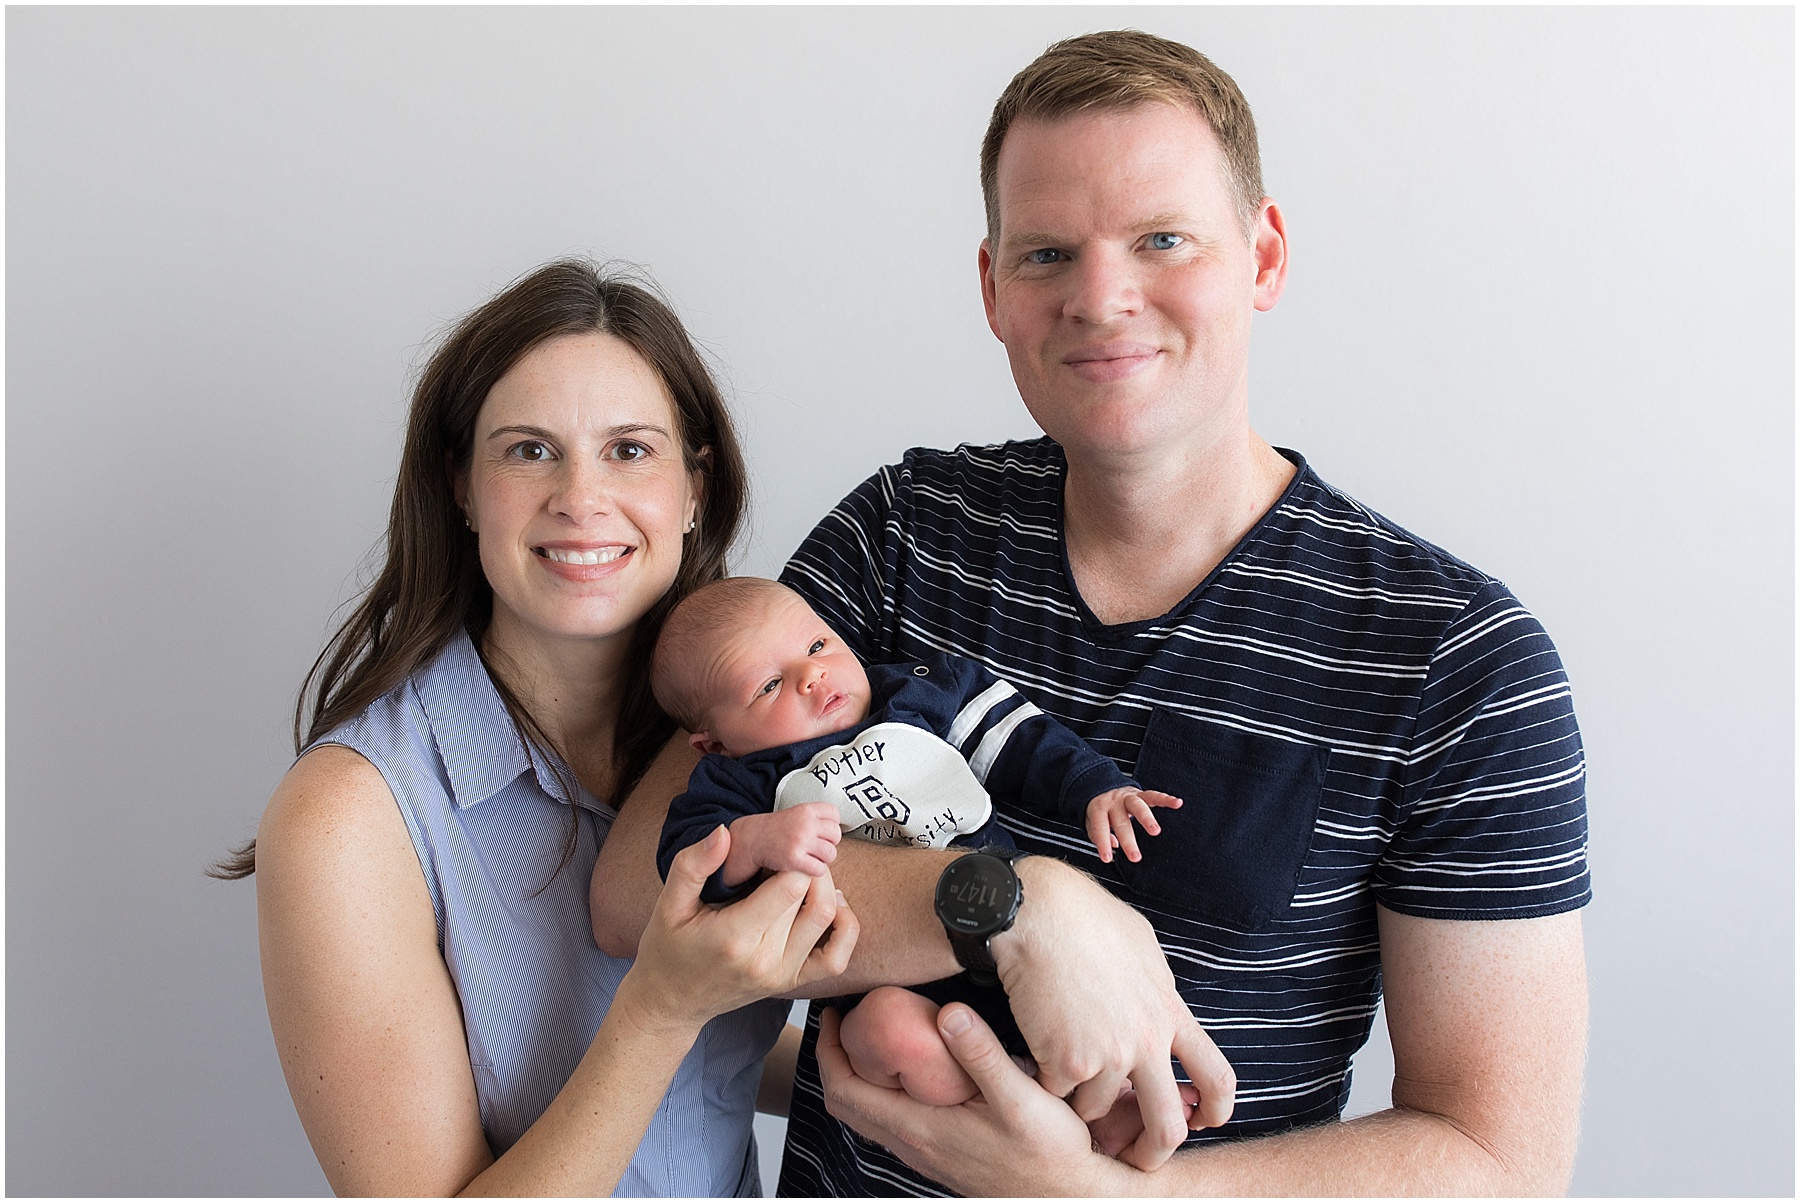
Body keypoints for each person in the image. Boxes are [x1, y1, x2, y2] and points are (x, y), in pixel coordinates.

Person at [590, 28, 1587, 1196]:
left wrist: (1110, 1199)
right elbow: (633, 890)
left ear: (1263, 257)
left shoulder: (1458, 660)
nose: (1102, 299)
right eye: (1049, 253)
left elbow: (1498, 1160)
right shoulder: (906, 530)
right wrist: (1021, 910)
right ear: (993, 290)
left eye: (1162, 240)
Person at [221, 260, 856, 1195]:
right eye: (528, 450)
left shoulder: (734, 742)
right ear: (462, 489)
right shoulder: (348, 817)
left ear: (693, 488)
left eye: (630, 449)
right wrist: (661, 1007)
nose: (581, 497)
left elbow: (688, 1080)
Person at [643, 575, 1188, 1151]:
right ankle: (1039, 1109)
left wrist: (1093, 787)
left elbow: (1019, 738)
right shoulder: (741, 781)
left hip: (1013, 941)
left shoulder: (913, 697)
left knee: (1074, 1008)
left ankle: (1106, 1101)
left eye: (818, 646)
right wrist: (754, 842)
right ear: (715, 743)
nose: (812, 677)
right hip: (888, 979)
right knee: (884, 1035)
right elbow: (684, 862)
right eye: (770, 686)